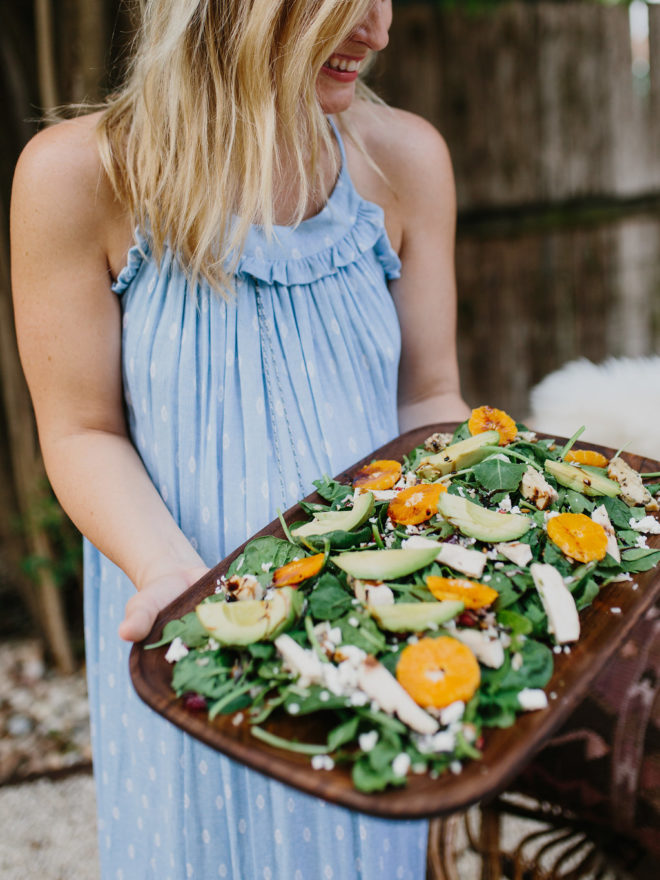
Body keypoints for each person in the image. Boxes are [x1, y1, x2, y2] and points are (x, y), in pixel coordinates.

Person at [11, 1, 469, 877]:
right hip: (190, 633)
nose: (379, 28)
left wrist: (467, 543)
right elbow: (80, 429)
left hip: (372, 638)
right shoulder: (79, 177)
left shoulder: (406, 162)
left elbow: (428, 396)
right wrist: (172, 578)